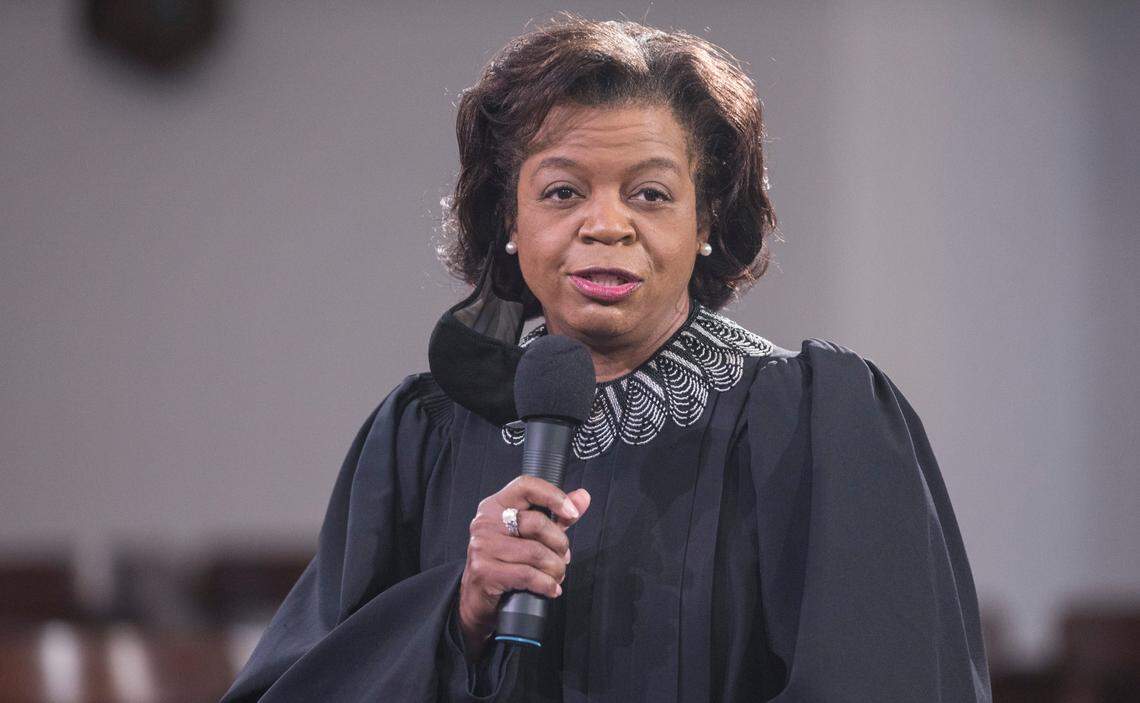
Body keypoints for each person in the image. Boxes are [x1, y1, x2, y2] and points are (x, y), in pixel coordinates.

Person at [220, 16, 991, 703]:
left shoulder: (821, 424)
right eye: (562, 191)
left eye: (650, 194)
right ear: (508, 220)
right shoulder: (422, 433)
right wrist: (459, 607)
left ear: (707, 220)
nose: (606, 225)